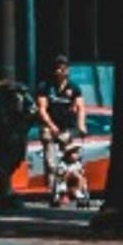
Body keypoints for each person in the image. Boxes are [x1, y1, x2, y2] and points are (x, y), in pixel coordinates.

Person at [36, 58, 87, 207]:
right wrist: (51, 125)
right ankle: (54, 194)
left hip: (66, 128)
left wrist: (81, 125)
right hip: (50, 127)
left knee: (72, 161)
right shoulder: (45, 86)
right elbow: (42, 109)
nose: (61, 71)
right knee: (51, 163)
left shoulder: (74, 87)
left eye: (64, 68)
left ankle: (72, 192)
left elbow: (81, 107)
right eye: (58, 68)